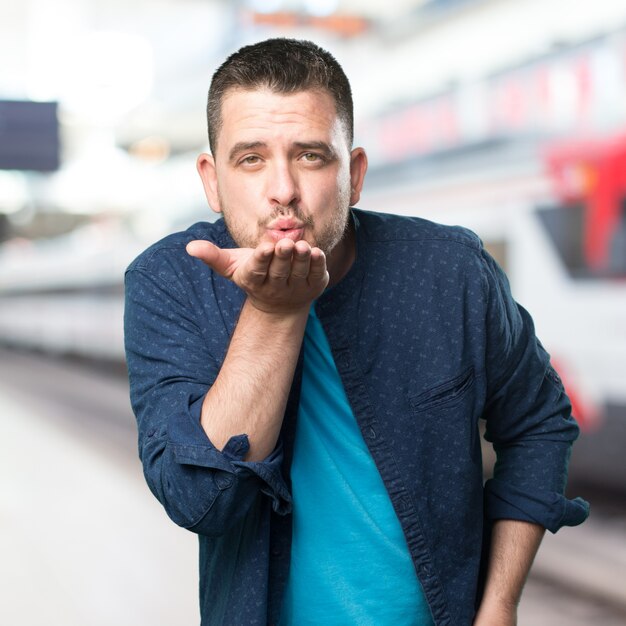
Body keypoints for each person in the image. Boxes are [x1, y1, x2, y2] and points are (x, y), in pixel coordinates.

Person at [124, 38, 589, 626]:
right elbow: (200, 500)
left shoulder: (448, 272)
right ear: (212, 181)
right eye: (251, 159)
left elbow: (540, 421)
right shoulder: (170, 281)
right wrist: (273, 312)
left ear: (356, 173)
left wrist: (499, 604)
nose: (283, 188)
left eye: (312, 155)